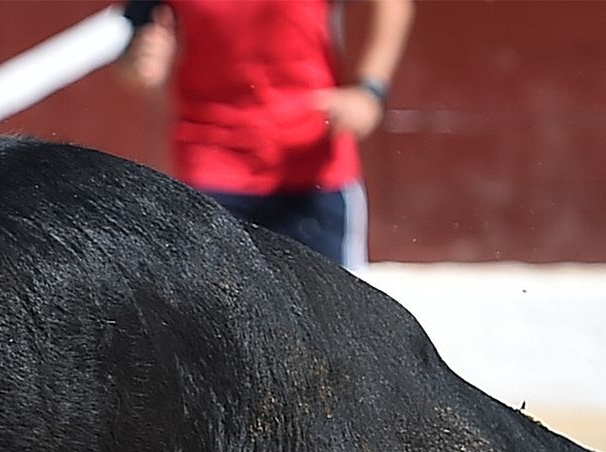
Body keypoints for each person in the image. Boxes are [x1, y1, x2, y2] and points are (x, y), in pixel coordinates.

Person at [117, 0, 412, 269]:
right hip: (213, 165)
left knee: (333, 317)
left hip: (313, 164)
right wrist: (145, 60)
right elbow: (134, 55)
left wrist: (370, 90)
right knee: (217, 318)